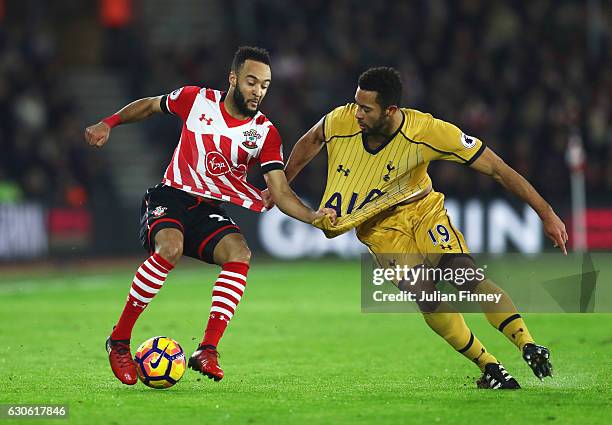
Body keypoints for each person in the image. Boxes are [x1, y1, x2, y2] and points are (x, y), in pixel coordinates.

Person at [277, 67, 566, 389]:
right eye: (356, 104)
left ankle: (527, 344)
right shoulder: (341, 120)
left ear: (390, 110)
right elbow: (312, 138)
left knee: (464, 275)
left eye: (366, 108)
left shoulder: (427, 131)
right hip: (380, 229)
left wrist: (546, 213)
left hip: (422, 210)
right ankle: (491, 366)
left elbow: (497, 169)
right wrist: (281, 183)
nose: (356, 113)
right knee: (425, 294)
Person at [84, 46, 335, 385]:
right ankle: (119, 341)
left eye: (265, 85)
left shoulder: (264, 133)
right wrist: (109, 122)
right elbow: (148, 106)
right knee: (169, 250)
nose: (258, 91)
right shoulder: (195, 99)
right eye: (251, 82)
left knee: (240, 253)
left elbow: (279, 190)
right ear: (233, 79)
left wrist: (313, 216)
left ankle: (207, 349)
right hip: (170, 196)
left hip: (207, 210)